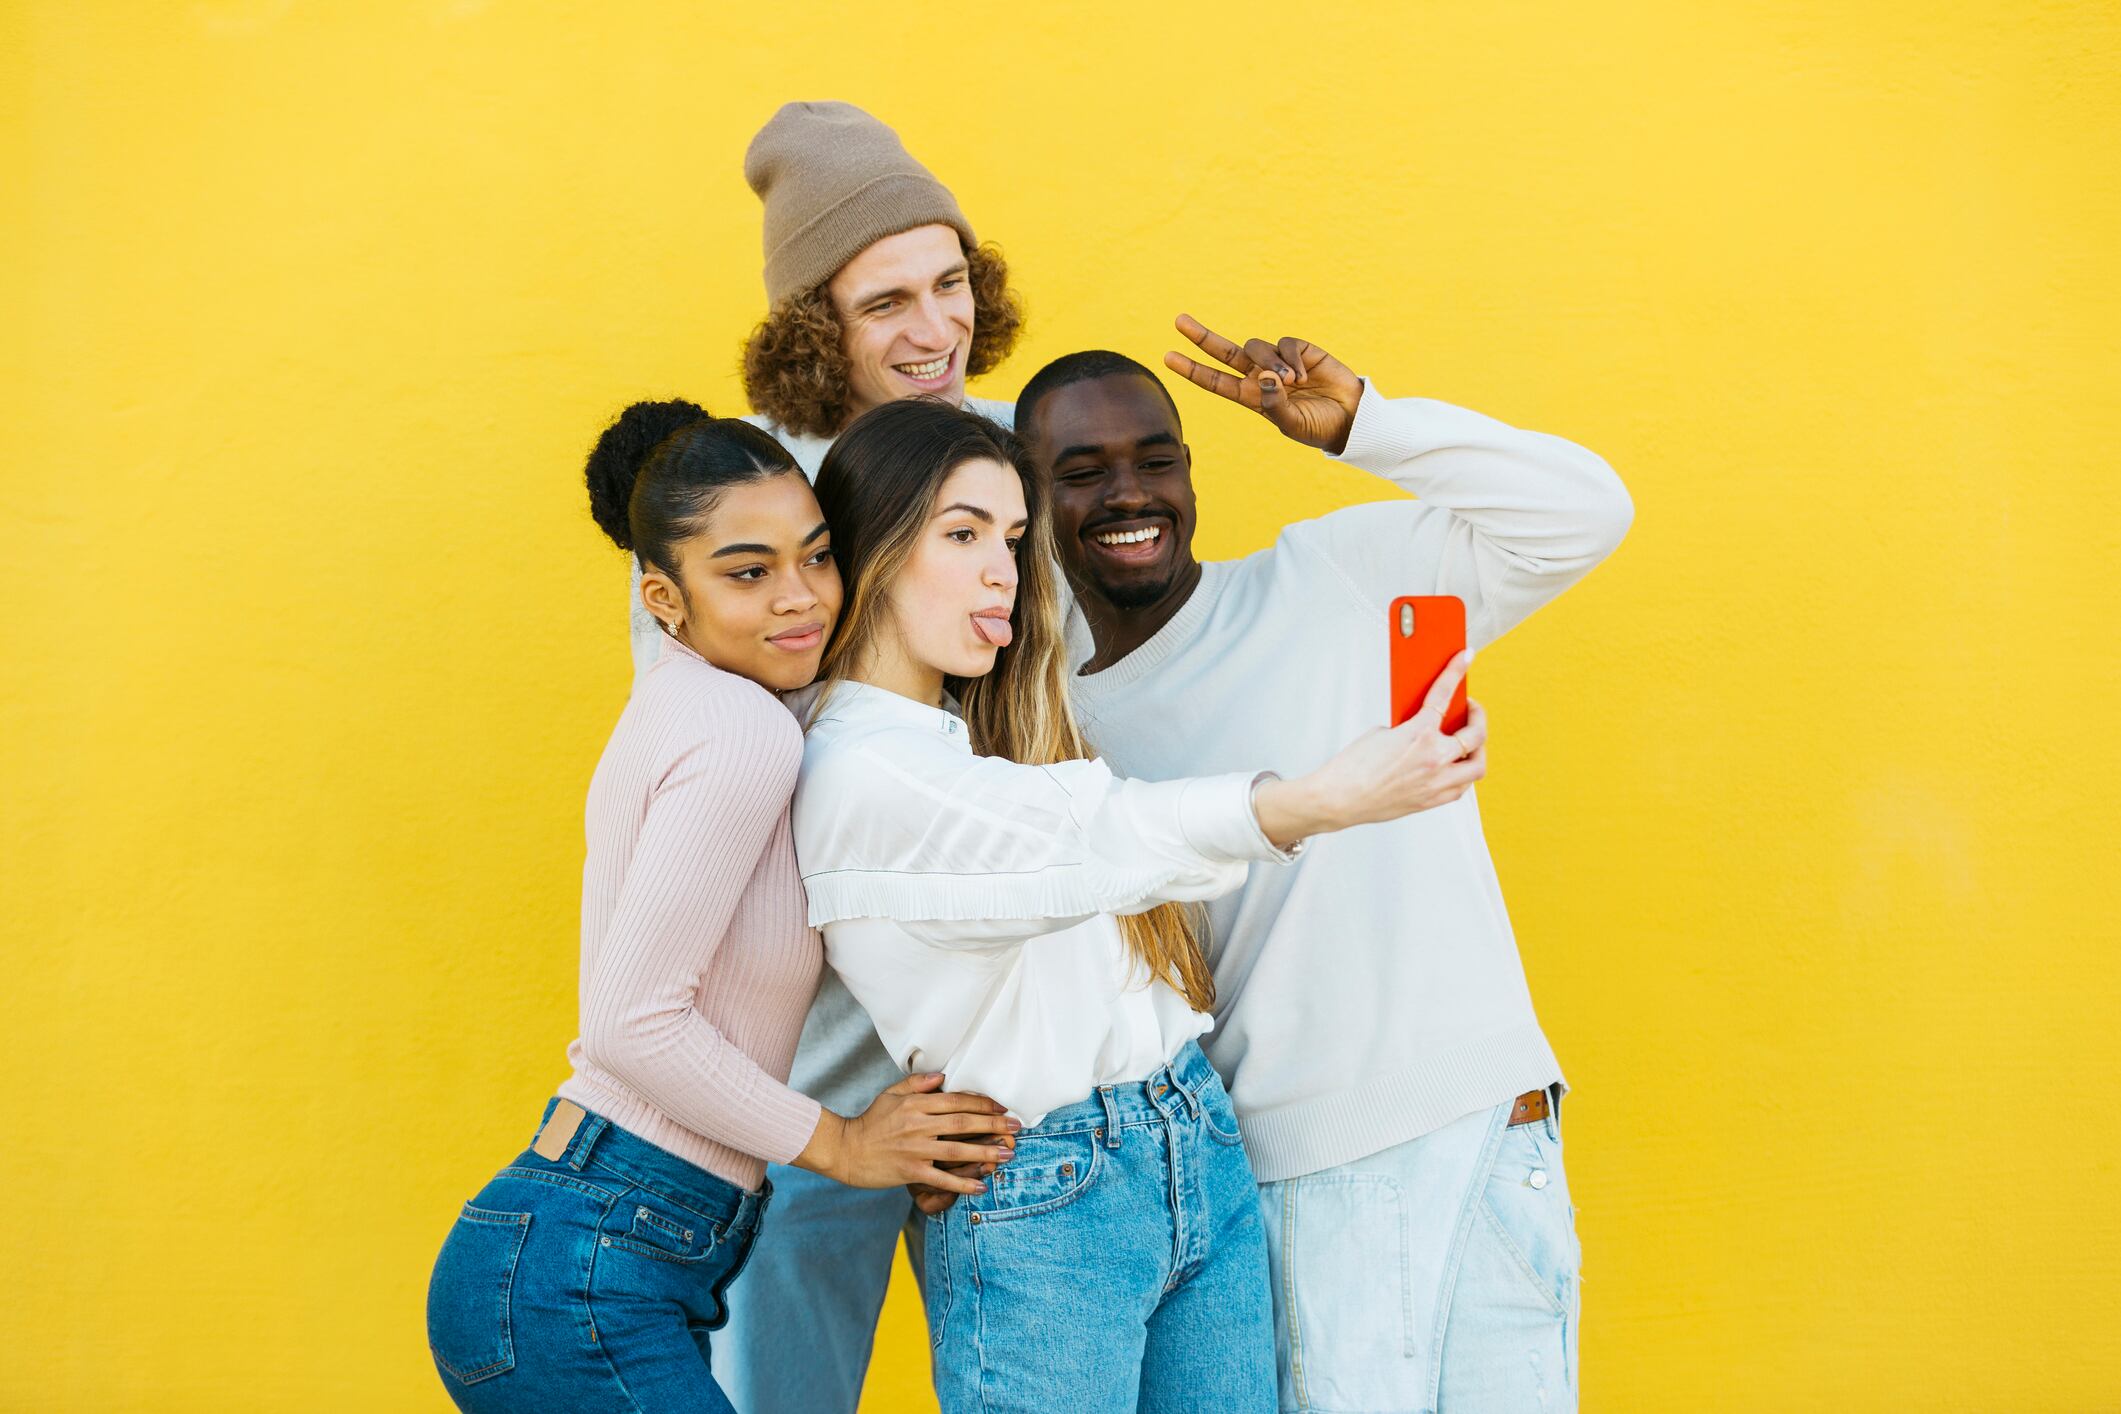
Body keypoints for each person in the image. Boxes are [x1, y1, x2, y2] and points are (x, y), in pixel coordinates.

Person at [788, 398, 1490, 1413]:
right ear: (873, 550)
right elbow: (1090, 836)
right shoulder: (861, 770)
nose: (1004, 569)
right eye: (962, 534)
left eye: (1015, 538)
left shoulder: (971, 731)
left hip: (1188, 1132)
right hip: (1048, 1193)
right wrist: (1322, 798)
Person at [1015, 325, 1633, 1413]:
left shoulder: (1329, 576)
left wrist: (1368, 425)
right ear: (1031, 504)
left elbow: (1586, 514)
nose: (1129, 493)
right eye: (1082, 472)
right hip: (1303, 1173)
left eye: (1156, 458)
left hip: (1497, 1123)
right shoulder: (1056, 729)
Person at [425, 403, 1017, 1413]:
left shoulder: (697, 703)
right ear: (664, 595)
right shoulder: (745, 733)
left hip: (588, 1244)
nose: (800, 599)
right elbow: (631, 1019)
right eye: (747, 573)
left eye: (818, 557)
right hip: (591, 1266)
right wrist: (841, 1144)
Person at [620, 102, 1031, 1414]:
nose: (933, 328)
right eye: (885, 301)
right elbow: (712, 757)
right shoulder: (746, 504)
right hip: (818, 1076)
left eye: (950, 281)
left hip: (1014, 1064)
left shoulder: (1028, 443)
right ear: (816, 328)